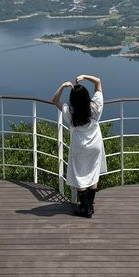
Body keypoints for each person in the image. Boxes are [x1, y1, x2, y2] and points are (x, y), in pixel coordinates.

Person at [51, 74, 107, 218]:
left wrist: (63, 86)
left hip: (79, 147)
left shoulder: (70, 111)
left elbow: (54, 100)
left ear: (73, 100)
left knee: (80, 176)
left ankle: (85, 208)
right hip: (95, 145)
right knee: (93, 173)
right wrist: (84, 77)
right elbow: (98, 82)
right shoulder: (95, 107)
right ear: (87, 96)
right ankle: (90, 206)